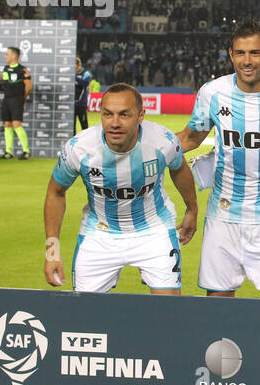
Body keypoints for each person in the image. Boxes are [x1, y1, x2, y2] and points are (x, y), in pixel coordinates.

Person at [175, 20, 260, 298]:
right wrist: (144, 146)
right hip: (223, 217)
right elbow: (190, 138)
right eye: (240, 53)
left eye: (255, 53)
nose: (247, 61)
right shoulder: (212, 93)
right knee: (218, 302)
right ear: (230, 55)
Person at [43, 83, 198, 294]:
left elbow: (179, 169)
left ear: (141, 115)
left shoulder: (163, 141)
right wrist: (52, 253)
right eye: (108, 114)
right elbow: (55, 192)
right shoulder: (79, 148)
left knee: (168, 311)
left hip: (154, 231)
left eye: (124, 115)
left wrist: (192, 208)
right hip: (99, 234)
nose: (114, 123)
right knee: (83, 316)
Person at [0, 46, 33, 159]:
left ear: (14, 56)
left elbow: (29, 85)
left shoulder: (22, 70)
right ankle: (8, 152)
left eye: (7, 54)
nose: (5, 56)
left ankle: (26, 151)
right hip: (6, 99)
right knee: (7, 124)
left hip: (17, 99)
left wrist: (22, 97)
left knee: (16, 124)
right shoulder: (6, 69)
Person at [74, 57, 93, 131]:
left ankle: (87, 142)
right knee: (72, 127)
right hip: (72, 105)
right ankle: (73, 142)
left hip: (82, 104)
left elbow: (85, 83)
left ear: (79, 65)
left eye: (75, 67)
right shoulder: (72, 74)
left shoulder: (86, 73)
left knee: (84, 126)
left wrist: (74, 78)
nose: (74, 70)